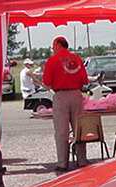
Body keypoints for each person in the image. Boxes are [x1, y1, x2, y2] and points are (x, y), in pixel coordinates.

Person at [42, 36, 89, 171]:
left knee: (61, 131)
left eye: (53, 46)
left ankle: (62, 163)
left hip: (61, 95)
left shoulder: (52, 60)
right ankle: (82, 160)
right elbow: (85, 80)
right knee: (79, 129)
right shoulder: (77, 59)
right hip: (77, 95)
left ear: (57, 45)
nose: (52, 49)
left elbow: (47, 82)